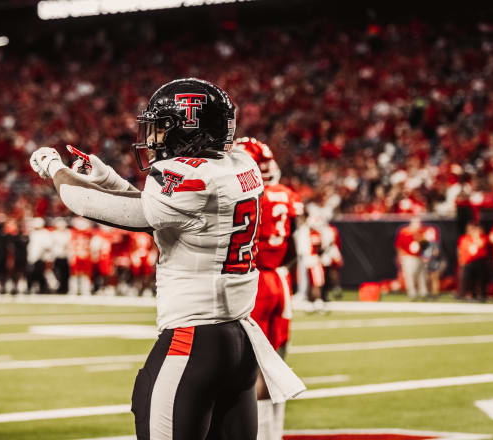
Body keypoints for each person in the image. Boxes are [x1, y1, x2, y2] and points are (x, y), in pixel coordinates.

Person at [30, 78, 304, 439]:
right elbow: (160, 215)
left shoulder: (189, 178)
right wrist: (109, 178)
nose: (155, 138)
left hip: (193, 343)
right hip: (237, 341)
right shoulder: (239, 164)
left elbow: (85, 203)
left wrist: (53, 167)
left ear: (188, 130)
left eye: (162, 127)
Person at [236, 137, 302, 440]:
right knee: (275, 361)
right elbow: (293, 249)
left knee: (251, 366)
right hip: (279, 278)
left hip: (255, 280)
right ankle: (274, 434)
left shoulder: (248, 194)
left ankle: (260, 434)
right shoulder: (286, 195)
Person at [395, 218, 428, 300]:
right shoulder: (404, 232)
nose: (419, 225)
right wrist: (401, 256)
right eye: (417, 224)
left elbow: (425, 245)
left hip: (419, 257)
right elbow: (399, 245)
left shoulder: (421, 232)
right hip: (408, 257)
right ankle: (412, 293)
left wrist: (418, 236)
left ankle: (423, 292)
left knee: (421, 276)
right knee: (409, 275)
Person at [457, 223, 490, 301]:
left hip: (479, 261)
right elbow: (461, 250)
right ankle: (465, 294)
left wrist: (476, 236)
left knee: (480, 279)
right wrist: (461, 259)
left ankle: (481, 295)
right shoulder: (464, 238)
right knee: (467, 279)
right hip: (467, 261)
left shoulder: (482, 237)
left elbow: (481, 244)